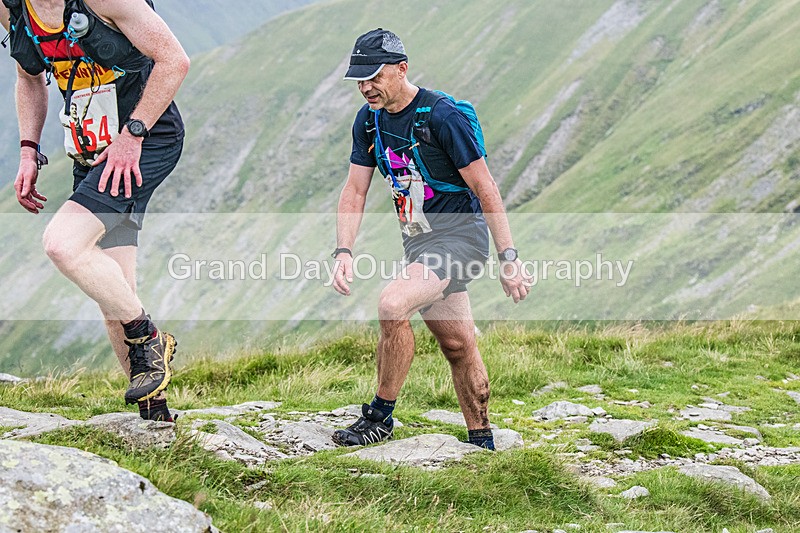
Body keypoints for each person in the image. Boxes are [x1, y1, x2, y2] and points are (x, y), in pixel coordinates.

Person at [331, 29, 532, 449]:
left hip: (462, 238)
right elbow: (354, 190)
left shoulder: (441, 116)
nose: (366, 87)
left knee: (393, 303)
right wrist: (343, 250)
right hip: (420, 242)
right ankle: (482, 441)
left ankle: (379, 418)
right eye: (359, 80)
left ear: (402, 69)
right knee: (458, 345)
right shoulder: (370, 121)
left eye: (375, 76)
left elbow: (486, 188)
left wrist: (508, 259)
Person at [0, 0, 190, 422]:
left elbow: (174, 60)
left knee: (63, 245)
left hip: (146, 141)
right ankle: (154, 417)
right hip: (93, 150)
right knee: (113, 288)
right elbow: (29, 77)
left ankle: (148, 336)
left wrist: (132, 135)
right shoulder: (14, 7)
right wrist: (29, 150)